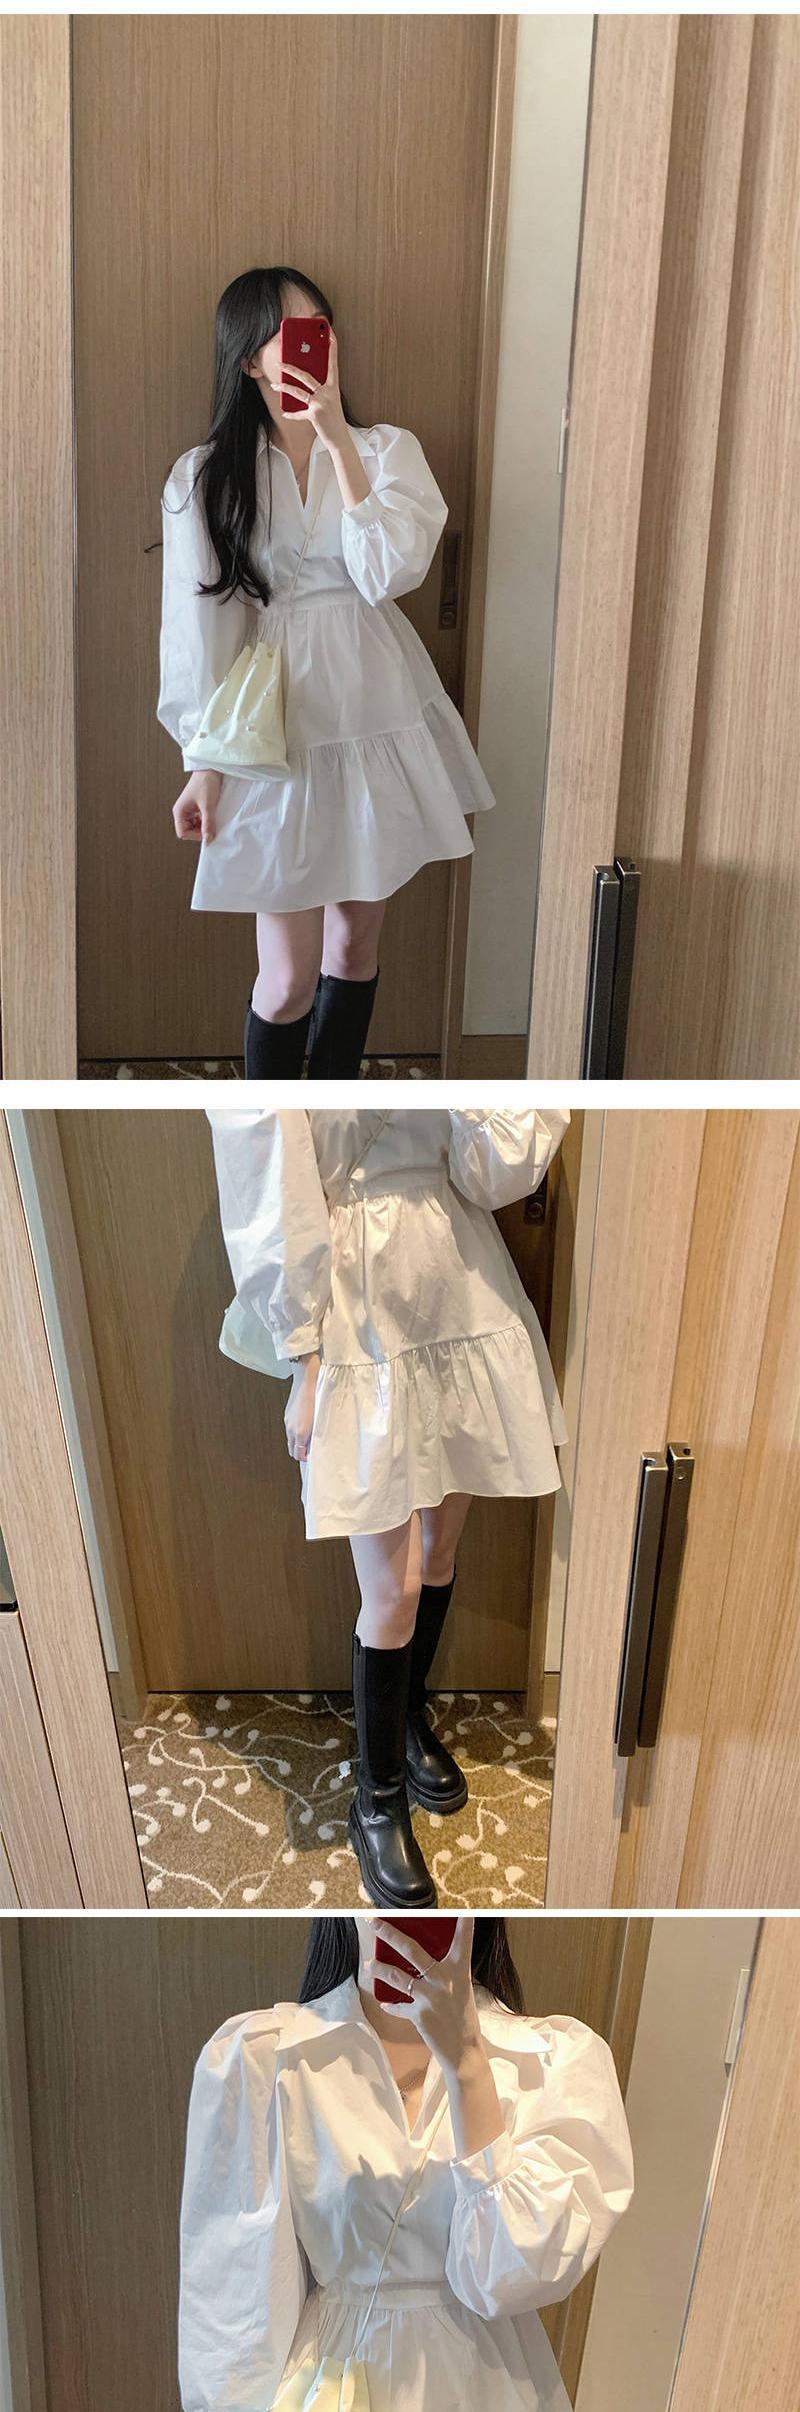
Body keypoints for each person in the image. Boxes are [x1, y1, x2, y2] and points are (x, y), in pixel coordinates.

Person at [178, 1912, 634, 2412]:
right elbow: (236, 2298)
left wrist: (467, 2063)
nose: (404, 1908)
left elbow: (512, 2272)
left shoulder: (553, 2063)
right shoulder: (267, 2056)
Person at [208, 1101, 568, 1902]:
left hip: (458, 1282)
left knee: (441, 1549)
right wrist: (303, 1358)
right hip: (355, 1301)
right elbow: (266, 1184)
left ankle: (403, 1717)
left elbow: (492, 1174)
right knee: (392, 1589)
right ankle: (375, 1803)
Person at [159, 267, 492, 1075]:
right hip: (275, 727)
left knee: (354, 947)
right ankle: (276, 1126)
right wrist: (203, 763)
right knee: (286, 981)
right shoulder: (206, 475)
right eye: (288, 330)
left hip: (373, 705)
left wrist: (339, 439)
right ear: (249, 359)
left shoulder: (386, 451)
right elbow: (197, 628)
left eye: (320, 325)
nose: (314, 342)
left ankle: (333, 1109)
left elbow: (387, 575)